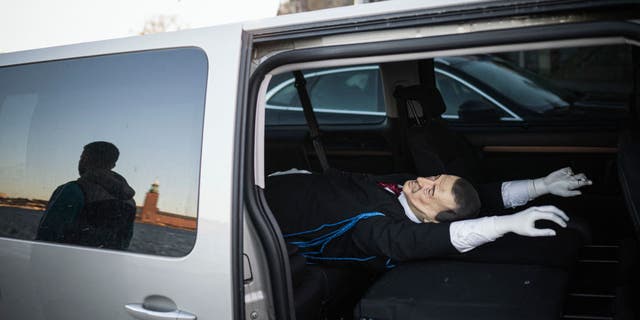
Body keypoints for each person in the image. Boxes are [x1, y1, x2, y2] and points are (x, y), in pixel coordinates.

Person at [265, 167, 591, 270]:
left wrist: (505, 224)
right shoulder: (409, 191)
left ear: (436, 220)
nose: (422, 183)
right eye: (434, 178)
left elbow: (415, 242)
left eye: (431, 191)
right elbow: (479, 196)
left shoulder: (379, 227)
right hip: (282, 178)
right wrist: (541, 186)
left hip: (251, 210)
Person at [36, 141, 136, 250]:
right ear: (113, 165)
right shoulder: (129, 201)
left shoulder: (73, 189)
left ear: (85, 159)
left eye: (82, 157)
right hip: (106, 265)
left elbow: (46, 236)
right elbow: (124, 242)